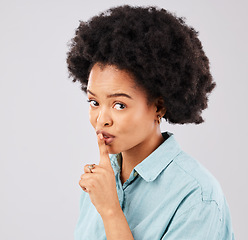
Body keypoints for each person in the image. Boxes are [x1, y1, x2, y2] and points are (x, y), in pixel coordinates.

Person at [66, 5, 235, 240]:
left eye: (119, 105)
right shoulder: (99, 183)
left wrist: (111, 212)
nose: (101, 120)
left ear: (158, 107)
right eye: (94, 102)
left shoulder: (196, 196)